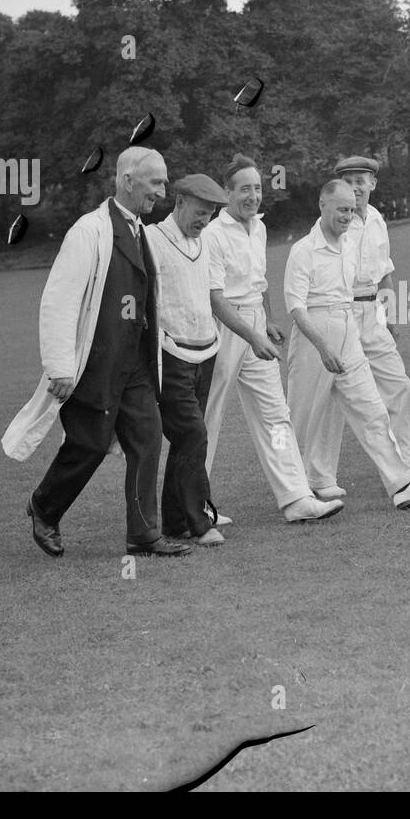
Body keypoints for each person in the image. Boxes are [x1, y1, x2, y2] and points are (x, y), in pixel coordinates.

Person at [3, 147, 191, 557]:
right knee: (90, 444)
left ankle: (143, 535)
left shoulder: (141, 230)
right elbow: (59, 299)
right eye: (155, 182)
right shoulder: (88, 232)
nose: (162, 190)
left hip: (136, 364)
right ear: (127, 180)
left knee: (146, 439)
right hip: (95, 363)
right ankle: (43, 506)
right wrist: (58, 366)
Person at [201, 155, 343, 524]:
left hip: (254, 327)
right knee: (208, 416)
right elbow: (216, 298)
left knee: (275, 416)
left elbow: (259, 283)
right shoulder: (213, 235)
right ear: (227, 193)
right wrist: (251, 333)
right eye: (244, 188)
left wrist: (267, 322)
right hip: (223, 330)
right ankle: (195, 503)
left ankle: (296, 497)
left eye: (258, 188)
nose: (253, 196)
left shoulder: (259, 228)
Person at [284, 180, 410, 509]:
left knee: (372, 409)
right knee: (302, 416)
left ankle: (402, 482)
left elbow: (353, 293)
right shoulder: (303, 250)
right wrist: (323, 348)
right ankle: (294, 492)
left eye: (352, 210)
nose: (348, 215)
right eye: (342, 209)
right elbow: (296, 308)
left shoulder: (347, 246)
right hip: (315, 336)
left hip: (347, 330)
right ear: (322, 205)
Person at [318, 156, 410, 472]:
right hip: (340, 312)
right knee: (332, 397)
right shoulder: (331, 222)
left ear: (372, 184)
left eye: (360, 181)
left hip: (373, 313)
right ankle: (319, 475)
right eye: (348, 182)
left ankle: (409, 464)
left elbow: (385, 272)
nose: (354, 187)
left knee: (400, 386)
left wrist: (391, 316)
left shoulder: (377, 219)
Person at [143, 173, 233, 547]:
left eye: (210, 215)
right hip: (169, 355)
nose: (204, 221)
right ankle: (200, 523)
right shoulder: (151, 239)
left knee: (185, 441)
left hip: (206, 352)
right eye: (199, 212)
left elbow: (210, 294)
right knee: (193, 433)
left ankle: (175, 522)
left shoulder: (205, 243)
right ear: (178, 202)